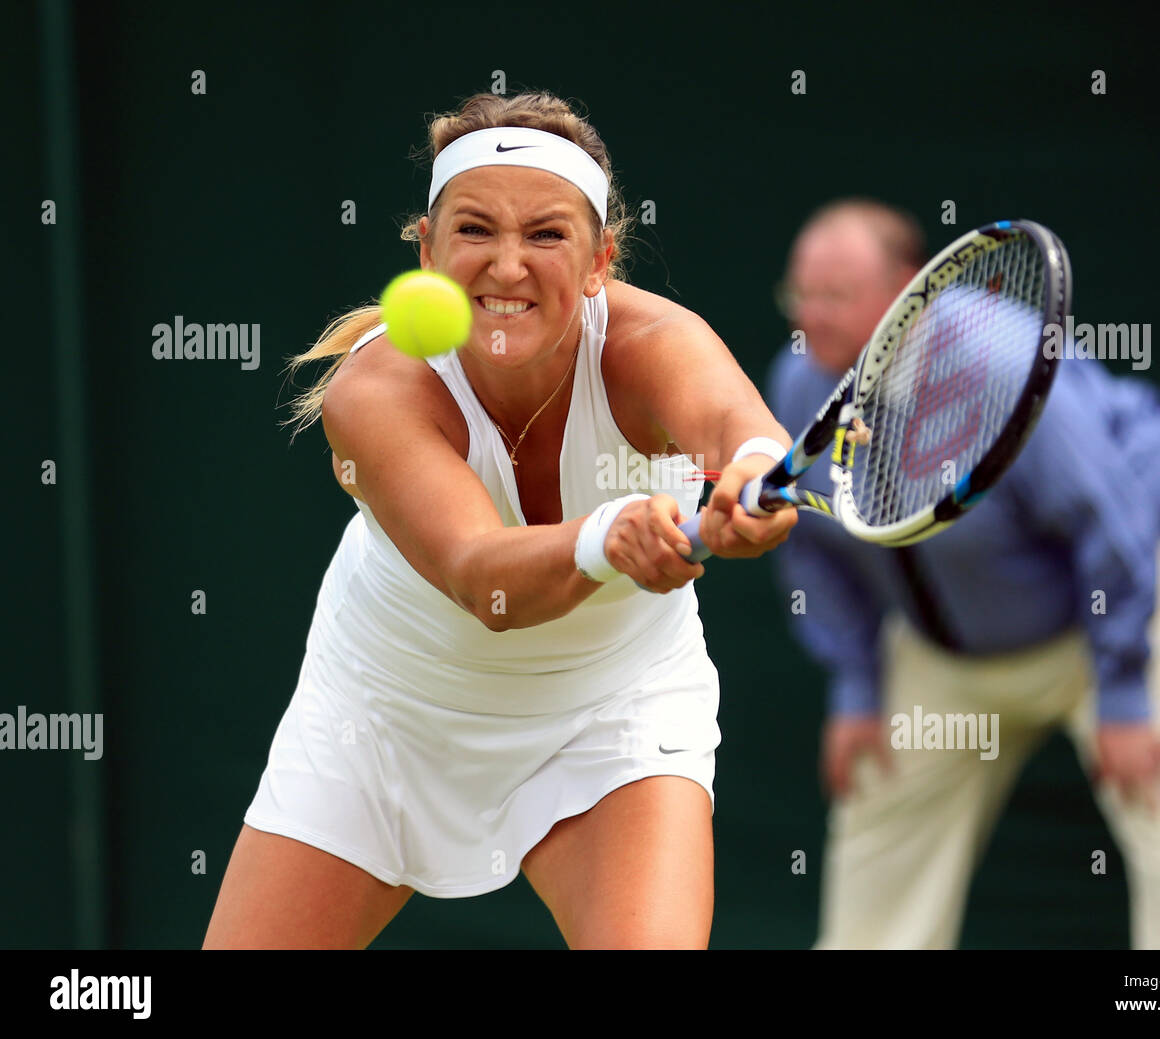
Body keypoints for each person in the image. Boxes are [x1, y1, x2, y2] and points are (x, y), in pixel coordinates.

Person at [202, 91, 796, 950]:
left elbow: (749, 440)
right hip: (382, 717)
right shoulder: (376, 392)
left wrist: (755, 483)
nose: (508, 266)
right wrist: (610, 536)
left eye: (547, 235)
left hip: (613, 714)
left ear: (601, 261)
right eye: (475, 230)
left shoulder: (653, 343)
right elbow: (484, 577)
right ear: (428, 251)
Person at [766, 198, 1160, 949]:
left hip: (1136, 580)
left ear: (908, 285)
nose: (810, 316)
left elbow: (1111, 521)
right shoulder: (802, 382)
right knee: (881, 793)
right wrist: (857, 684)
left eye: (834, 295)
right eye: (798, 294)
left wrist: (1127, 693)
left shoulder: (1002, 359)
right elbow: (813, 546)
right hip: (956, 643)